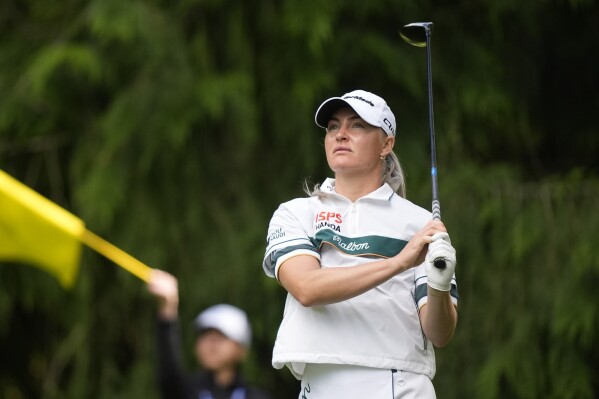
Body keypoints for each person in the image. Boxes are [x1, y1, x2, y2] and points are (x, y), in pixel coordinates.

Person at [262, 89, 459, 398]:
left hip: (400, 383)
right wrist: (398, 262)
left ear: (386, 144)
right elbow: (307, 288)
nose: (341, 134)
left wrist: (439, 285)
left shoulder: (420, 224)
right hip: (320, 384)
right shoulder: (296, 213)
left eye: (357, 125)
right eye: (332, 127)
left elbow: (439, 333)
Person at [147, 269, 273, 399]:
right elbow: (168, 371)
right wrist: (168, 307)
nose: (210, 345)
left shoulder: (256, 397)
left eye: (219, 338)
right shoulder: (187, 391)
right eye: (204, 337)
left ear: (240, 349)